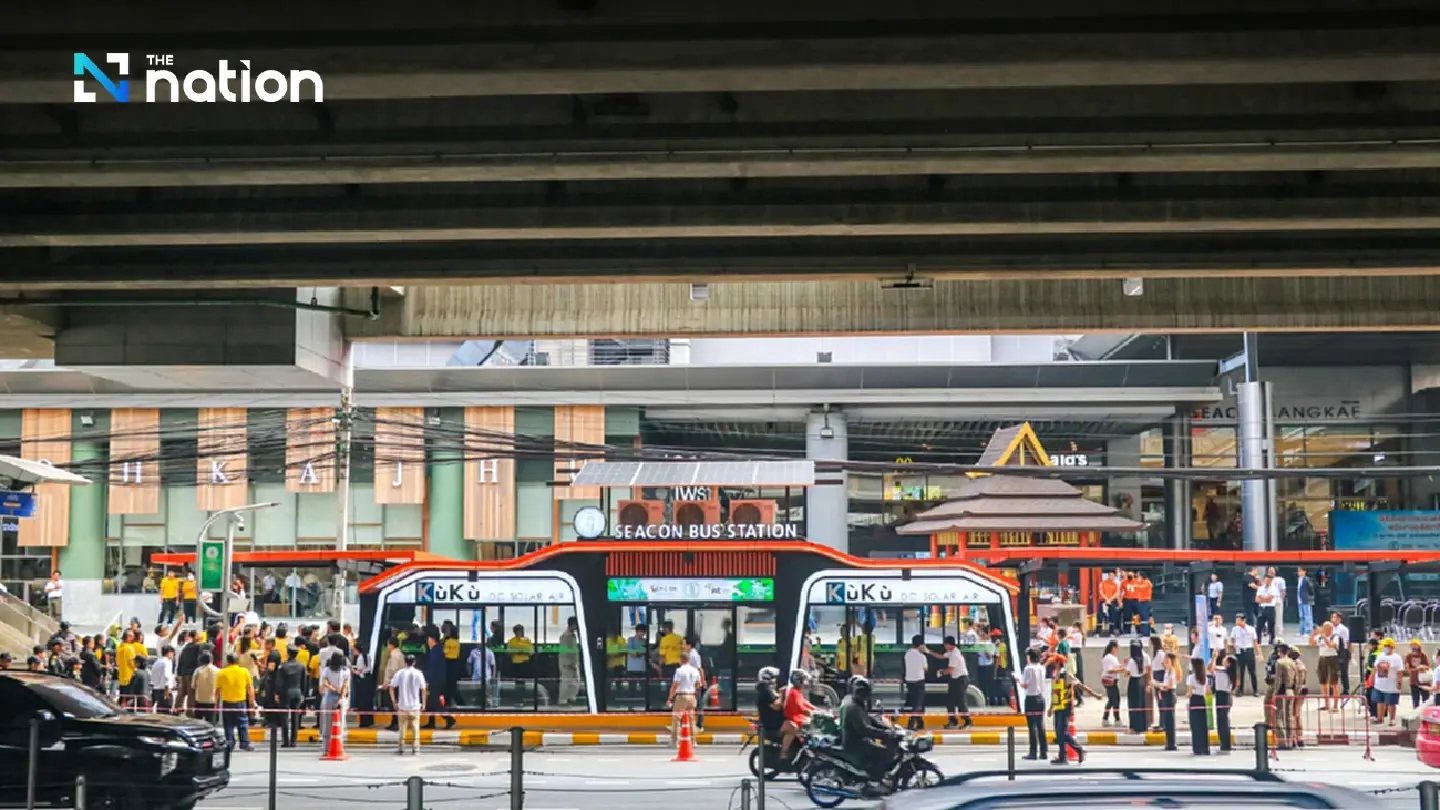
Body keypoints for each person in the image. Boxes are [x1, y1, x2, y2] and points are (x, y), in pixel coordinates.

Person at [839, 677, 894, 785]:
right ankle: (875, 781)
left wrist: (885, 728)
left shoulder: (856, 702)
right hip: (855, 742)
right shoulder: (853, 707)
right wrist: (884, 734)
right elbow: (863, 729)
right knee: (883, 752)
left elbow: (868, 719)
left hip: (857, 738)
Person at [1048, 654, 1095, 765]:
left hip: (1065, 706)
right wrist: (1051, 707)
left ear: (1059, 663)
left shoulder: (1066, 675)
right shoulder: (1056, 675)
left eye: (1054, 662)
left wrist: (1094, 694)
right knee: (1058, 732)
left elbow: (1080, 685)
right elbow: (1054, 692)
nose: (1053, 665)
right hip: (1058, 706)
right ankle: (1062, 756)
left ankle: (1079, 749)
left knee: (1063, 732)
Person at [215, 653, 256, 751]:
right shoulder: (244, 671)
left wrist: (215, 704)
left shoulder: (221, 673)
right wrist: (252, 702)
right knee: (243, 723)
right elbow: (250, 689)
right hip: (240, 702)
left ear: (228, 661)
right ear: (237, 661)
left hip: (227, 702)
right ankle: (244, 743)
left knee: (228, 724)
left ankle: (230, 743)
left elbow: (217, 691)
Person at [389, 654, 427, 755]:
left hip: (403, 706)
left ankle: (401, 748)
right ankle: (416, 748)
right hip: (415, 707)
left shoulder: (400, 673)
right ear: (414, 662)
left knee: (402, 728)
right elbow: (423, 689)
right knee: (416, 728)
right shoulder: (419, 673)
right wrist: (424, 703)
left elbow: (391, 687)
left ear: (405, 662)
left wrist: (394, 701)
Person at [665, 646, 701, 748]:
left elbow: (675, 685)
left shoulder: (679, 671)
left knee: (677, 718)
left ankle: (674, 741)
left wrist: (670, 698)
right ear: (688, 660)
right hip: (692, 696)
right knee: (691, 719)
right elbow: (699, 684)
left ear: (681, 660)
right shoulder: (695, 671)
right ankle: (694, 741)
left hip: (681, 696)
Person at [319, 647, 351, 748]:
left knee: (329, 722)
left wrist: (334, 691)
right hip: (336, 696)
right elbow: (344, 686)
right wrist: (340, 696)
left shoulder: (329, 670)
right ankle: (333, 746)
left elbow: (325, 683)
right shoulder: (342, 671)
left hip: (331, 697)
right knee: (336, 722)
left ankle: (329, 747)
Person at [780, 669, 815, 760]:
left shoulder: (797, 691)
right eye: (804, 680)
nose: (805, 682)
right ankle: (784, 752)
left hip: (797, 718)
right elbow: (801, 708)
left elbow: (805, 703)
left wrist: (818, 710)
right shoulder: (793, 692)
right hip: (792, 719)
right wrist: (811, 713)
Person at [1020, 647, 1048, 759]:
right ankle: (1043, 751)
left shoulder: (1028, 669)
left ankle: (1033, 752)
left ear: (1029, 657)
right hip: (1040, 698)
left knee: (1032, 727)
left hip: (1031, 699)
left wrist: (1018, 681)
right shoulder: (1042, 668)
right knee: (1041, 725)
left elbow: (1025, 685)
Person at [941, 635, 972, 729]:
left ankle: (968, 722)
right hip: (954, 679)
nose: (944, 646)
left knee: (961, 702)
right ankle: (953, 721)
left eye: (945, 644)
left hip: (961, 680)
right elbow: (941, 656)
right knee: (949, 701)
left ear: (949, 644)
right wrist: (928, 651)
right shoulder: (951, 652)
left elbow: (950, 669)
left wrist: (941, 672)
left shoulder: (955, 654)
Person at [1373, 638, 1404, 726]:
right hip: (1379, 684)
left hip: (1391, 685)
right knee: (1380, 702)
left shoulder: (1397, 657)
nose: (1386, 648)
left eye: (1388, 646)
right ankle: (1380, 718)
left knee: (1391, 703)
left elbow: (1400, 671)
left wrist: (1399, 682)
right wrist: (1372, 679)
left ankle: (1392, 719)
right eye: (1385, 646)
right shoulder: (1380, 655)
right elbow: (1375, 668)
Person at [902, 634, 928, 730]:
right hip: (919, 681)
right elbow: (925, 669)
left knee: (915, 703)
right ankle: (911, 724)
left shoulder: (907, 654)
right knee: (917, 704)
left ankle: (920, 723)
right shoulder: (922, 656)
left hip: (909, 681)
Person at [1186, 657, 1211, 756]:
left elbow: (1189, 693)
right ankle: (1205, 747)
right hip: (1202, 699)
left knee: (1195, 725)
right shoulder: (1205, 677)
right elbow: (1208, 691)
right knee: (1202, 724)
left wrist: (1186, 696)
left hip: (1194, 700)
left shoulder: (1191, 677)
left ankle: (1197, 747)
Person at [1154, 651, 1179, 751]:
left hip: (1169, 695)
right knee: (1167, 719)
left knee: (1170, 720)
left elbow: (1169, 685)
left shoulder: (1172, 670)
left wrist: (1158, 685)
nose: (1163, 660)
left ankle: (1172, 743)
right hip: (1166, 694)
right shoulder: (1167, 670)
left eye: (1165, 658)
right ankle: (1169, 742)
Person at [755, 666, 785, 747]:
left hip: (775, 724)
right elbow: (777, 706)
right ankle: (784, 754)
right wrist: (783, 694)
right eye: (774, 677)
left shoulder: (768, 690)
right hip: (772, 725)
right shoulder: (765, 690)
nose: (776, 679)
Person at [1231, 614, 1260, 697]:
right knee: (1240, 672)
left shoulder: (1251, 629)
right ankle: (1240, 690)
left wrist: (1259, 653)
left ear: (1243, 620)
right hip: (1239, 651)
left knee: (1252, 672)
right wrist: (1234, 645)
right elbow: (1232, 639)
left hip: (1249, 650)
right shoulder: (1235, 629)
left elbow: (1255, 642)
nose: (1237, 621)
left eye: (1238, 619)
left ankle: (1255, 690)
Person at [1214, 653, 1236, 752]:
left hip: (1222, 696)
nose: (1223, 659)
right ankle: (1224, 742)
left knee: (1222, 721)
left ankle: (1225, 743)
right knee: (1224, 720)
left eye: (1225, 659)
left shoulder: (1222, 671)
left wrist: (1214, 657)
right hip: (1226, 696)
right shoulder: (1229, 672)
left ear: (1228, 663)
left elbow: (1210, 668)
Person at [1100, 640, 1123, 726]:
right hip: (1110, 681)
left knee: (1112, 700)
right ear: (1113, 648)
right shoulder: (1109, 657)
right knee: (1115, 700)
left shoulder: (1112, 657)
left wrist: (1120, 666)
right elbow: (1109, 670)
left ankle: (1106, 718)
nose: (1118, 650)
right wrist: (1120, 670)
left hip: (1113, 681)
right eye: (1117, 648)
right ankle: (1116, 719)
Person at [1406, 639, 1432, 710]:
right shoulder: (1409, 656)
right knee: (1415, 699)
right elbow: (1408, 668)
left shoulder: (1423, 655)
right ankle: (1416, 713)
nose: (1414, 647)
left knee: (1425, 699)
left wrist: (1422, 667)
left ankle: (1425, 713)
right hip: (1413, 680)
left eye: (1415, 646)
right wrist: (1415, 669)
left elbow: (1428, 666)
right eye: (1412, 646)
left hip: (1424, 681)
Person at [1296, 568, 1315, 636]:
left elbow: (1311, 589)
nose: (1298, 572)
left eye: (1300, 571)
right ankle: (1301, 631)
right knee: (1301, 616)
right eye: (1298, 571)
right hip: (1300, 600)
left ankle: (1308, 631)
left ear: (1304, 571)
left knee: (1307, 616)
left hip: (1305, 600)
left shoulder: (1307, 579)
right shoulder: (1299, 579)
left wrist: (1309, 596)